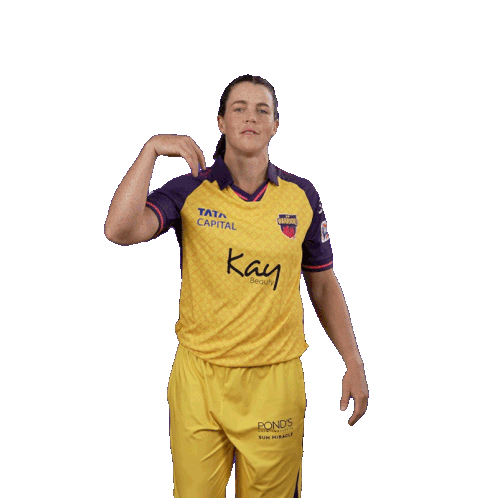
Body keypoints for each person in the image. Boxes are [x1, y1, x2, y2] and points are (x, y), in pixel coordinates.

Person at [104, 74, 369, 498]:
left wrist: (352, 360)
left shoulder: (302, 195)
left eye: (263, 110)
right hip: (199, 379)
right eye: (239, 108)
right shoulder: (190, 190)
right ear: (221, 121)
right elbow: (119, 230)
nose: (251, 117)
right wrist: (150, 149)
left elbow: (321, 283)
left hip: (273, 382)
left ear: (276, 124)